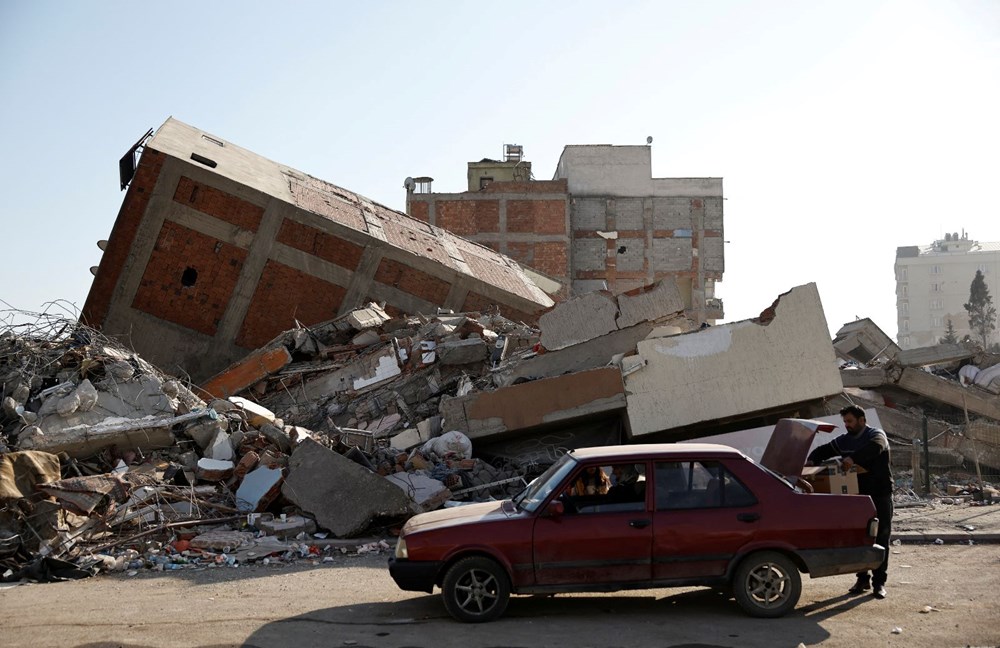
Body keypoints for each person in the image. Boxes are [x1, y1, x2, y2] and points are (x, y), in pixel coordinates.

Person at [807, 405, 894, 599]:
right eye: (845, 422)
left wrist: (852, 459)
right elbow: (825, 450)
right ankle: (862, 578)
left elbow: (876, 447)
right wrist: (812, 459)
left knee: (881, 538)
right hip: (857, 497)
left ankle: (879, 583)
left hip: (880, 494)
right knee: (859, 538)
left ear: (862, 420)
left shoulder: (876, 434)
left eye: (850, 421)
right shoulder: (845, 440)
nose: (847, 425)